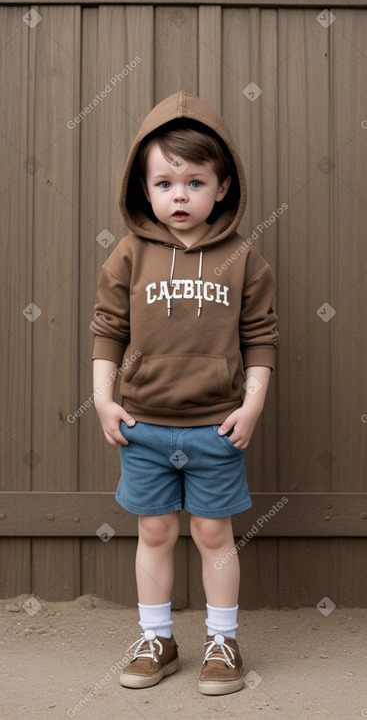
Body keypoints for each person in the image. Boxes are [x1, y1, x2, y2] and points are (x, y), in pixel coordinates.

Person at [90, 91, 278, 696]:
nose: (179, 195)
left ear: (221, 188)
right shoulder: (129, 254)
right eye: (165, 182)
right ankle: (157, 638)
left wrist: (251, 405)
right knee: (154, 532)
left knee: (213, 533)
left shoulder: (246, 259)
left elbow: (260, 339)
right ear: (144, 189)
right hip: (143, 426)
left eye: (195, 181)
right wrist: (103, 398)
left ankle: (222, 642)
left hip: (216, 427)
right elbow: (107, 330)